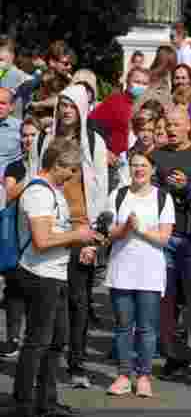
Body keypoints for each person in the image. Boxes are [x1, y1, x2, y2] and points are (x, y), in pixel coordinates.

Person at [13, 138, 99, 417]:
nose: (72, 175)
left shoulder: (55, 190)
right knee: (37, 341)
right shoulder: (38, 192)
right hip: (40, 275)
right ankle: (25, 402)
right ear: (57, 164)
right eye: (70, 169)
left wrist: (80, 243)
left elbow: (59, 233)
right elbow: (41, 240)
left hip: (57, 273)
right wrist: (78, 235)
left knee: (56, 340)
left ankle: (46, 400)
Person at [33, 84, 109, 389]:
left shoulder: (94, 141)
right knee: (50, 298)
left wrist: (94, 237)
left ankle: (76, 364)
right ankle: (45, 360)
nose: (66, 111)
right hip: (50, 228)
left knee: (79, 300)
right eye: (62, 104)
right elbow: (33, 178)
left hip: (81, 230)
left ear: (82, 110)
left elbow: (101, 190)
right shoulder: (45, 139)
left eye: (71, 105)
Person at [151, 106, 191, 381]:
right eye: (168, 124)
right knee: (166, 301)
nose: (172, 129)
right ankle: (172, 356)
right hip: (164, 235)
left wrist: (188, 186)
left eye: (177, 124)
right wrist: (166, 186)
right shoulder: (156, 155)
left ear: (189, 126)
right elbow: (146, 191)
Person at [104, 151, 175, 398]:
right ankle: (124, 375)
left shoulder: (163, 198)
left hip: (150, 272)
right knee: (123, 326)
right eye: (134, 165)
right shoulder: (118, 195)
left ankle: (144, 376)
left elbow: (164, 238)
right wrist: (124, 228)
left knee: (146, 328)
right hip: (121, 269)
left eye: (143, 165)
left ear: (152, 169)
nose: (138, 169)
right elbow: (108, 233)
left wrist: (141, 228)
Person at [2, 116, 41, 357]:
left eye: (32, 135)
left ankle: (34, 338)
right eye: (24, 135)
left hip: (42, 230)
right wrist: (30, 178)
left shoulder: (49, 163)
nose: (27, 139)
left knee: (38, 289)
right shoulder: (15, 167)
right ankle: (13, 337)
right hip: (18, 232)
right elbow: (9, 193)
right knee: (14, 287)